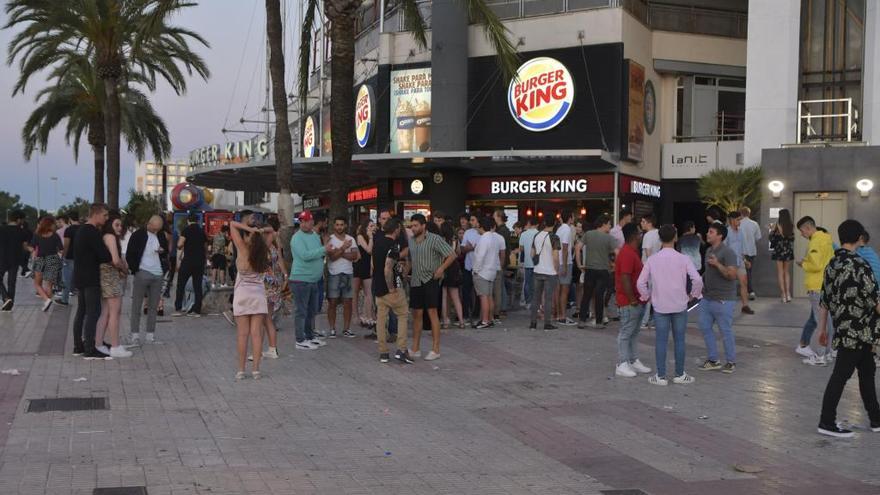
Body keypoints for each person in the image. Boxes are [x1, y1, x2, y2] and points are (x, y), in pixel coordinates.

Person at [815, 219, 880, 438]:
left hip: (844, 330)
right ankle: (826, 421)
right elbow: (875, 300)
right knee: (840, 376)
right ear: (859, 238)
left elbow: (824, 300)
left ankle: (876, 419)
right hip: (860, 330)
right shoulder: (861, 265)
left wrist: (822, 329)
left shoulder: (832, 265)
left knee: (868, 372)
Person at [637, 224, 703, 386]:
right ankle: (679, 374)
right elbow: (698, 279)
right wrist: (692, 295)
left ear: (660, 238)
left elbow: (640, 283)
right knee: (679, 340)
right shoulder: (683, 258)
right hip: (680, 305)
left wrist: (647, 297)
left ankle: (660, 376)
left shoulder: (652, 259)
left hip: (660, 305)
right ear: (675, 238)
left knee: (661, 340)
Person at [408, 214, 456, 360]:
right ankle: (415, 348)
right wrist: (405, 271)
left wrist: (441, 269)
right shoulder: (411, 241)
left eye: (416, 225)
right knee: (416, 314)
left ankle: (435, 349)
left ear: (423, 226)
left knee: (432, 313)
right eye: (412, 226)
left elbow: (451, 254)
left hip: (430, 279)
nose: (413, 228)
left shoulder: (434, 239)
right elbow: (410, 259)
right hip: (416, 280)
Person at [229, 220, 271, 379]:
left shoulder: (242, 249)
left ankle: (241, 370)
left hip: (242, 294)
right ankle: (256, 370)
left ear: (248, 237)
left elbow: (232, 224)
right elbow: (272, 231)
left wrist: (248, 228)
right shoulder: (263, 251)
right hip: (258, 295)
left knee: (242, 335)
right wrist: (260, 230)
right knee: (257, 334)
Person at [697, 222, 739, 374]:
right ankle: (713, 359)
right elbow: (707, 272)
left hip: (723, 299)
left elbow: (732, 275)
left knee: (725, 330)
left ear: (720, 235)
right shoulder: (708, 250)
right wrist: (698, 284)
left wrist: (718, 264)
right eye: (708, 231)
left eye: (711, 232)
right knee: (704, 326)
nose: (707, 234)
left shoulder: (728, 253)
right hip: (707, 298)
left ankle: (730, 361)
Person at [72, 204, 112, 359]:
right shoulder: (92, 232)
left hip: (80, 277)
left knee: (81, 311)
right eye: (105, 215)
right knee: (93, 312)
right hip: (90, 278)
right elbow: (105, 256)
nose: (106, 218)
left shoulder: (81, 230)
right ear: (96, 214)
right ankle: (90, 348)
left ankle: (78, 346)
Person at [796, 215, 835, 364]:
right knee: (828, 322)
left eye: (802, 231)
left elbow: (816, 265)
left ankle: (819, 356)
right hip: (827, 285)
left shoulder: (815, 241)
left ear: (808, 228)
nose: (802, 234)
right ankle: (828, 352)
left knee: (821, 323)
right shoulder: (827, 239)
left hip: (816, 287)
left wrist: (803, 264)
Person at [290, 210, 332, 350]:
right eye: (302, 221)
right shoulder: (297, 238)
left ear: (312, 221)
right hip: (301, 279)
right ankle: (299, 339)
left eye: (307, 221)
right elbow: (305, 255)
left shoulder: (314, 235)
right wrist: (324, 249)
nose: (304, 223)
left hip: (314, 279)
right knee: (301, 311)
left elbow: (319, 252)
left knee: (311, 310)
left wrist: (323, 249)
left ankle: (309, 336)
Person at [373, 218, 412, 364]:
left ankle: (383, 352)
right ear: (396, 229)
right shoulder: (393, 245)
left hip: (378, 287)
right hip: (392, 287)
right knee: (402, 315)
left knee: (381, 319)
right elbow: (388, 267)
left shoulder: (377, 243)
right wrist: (391, 287)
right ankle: (401, 350)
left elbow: (374, 264)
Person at [614, 223, 651, 378]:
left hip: (636, 299)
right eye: (639, 233)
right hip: (629, 301)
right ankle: (622, 363)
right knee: (626, 332)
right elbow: (625, 277)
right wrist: (631, 299)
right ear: (634, 235)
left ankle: (632, 359)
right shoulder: (628, 253)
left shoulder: (631, 252)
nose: (641, 235)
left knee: (633, 332)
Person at [94, 213, 132, 358]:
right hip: (111, 278)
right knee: (115, 313)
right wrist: (124, 269)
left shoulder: (105, 237)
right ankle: (115, 345)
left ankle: (99, 343)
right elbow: (115, 260)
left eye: (120, 225)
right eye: (116, 224)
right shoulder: (110, 238)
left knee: (106, 312)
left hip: (105, 277)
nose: (120, 227)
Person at [126, 215, 167, 346]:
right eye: (154, 229)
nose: (156, 231)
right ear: (149, 224)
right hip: (142, 271)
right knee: (137, 306)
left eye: (158, 229)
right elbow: (130, 253)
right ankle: (135, 336)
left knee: (153, 307)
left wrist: (162, 252)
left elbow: (165, 251)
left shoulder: (160, 235)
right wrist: (135, 269)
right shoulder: (138, 235)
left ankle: (150, 335)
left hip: (158, 273)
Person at [576, 215, 616, 329]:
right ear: (603, 224)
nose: (610, 226)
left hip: (590, 269)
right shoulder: (609, 238)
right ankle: (599, 322)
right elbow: (618, 252)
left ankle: (582, 320)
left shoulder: (588, 234)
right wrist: (615, 266)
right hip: (603, 270)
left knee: (587, 295)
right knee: (599, 295)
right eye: (609, 224)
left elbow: (578, 247)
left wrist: (579, 264)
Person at [326, 216, 359, 338]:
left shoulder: (351, 239)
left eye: (341, 224)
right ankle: (332, 329)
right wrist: (344, 249)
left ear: (345, 225)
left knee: (348, 302)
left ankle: (346, 328)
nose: (339, 227)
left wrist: (339, 252)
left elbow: (354, 256)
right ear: (334, 226)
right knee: (332, 302)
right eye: (337, 224)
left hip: (348, 272)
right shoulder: (330, 239)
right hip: (334, 273)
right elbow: (332, 257)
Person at [257, 217, 286, 358]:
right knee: (267, 318)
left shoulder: (266, 246)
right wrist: (285, 276)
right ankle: (272, 348)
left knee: (263, 319)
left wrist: (261, 230)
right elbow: (280, 260)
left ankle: (262, 350)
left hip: (265, 284)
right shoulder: (274, 245)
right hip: (273, 283)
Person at [174, 213, 208, 317]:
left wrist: (181, 246)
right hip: (199, 261)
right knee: (197, 286)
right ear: (197, 220)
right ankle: (196, 311)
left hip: (188, 261)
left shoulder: (186, 230)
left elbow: (179, 244)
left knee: (181, 284)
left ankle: (179, 308)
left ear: (188, 220)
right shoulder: (202, 231)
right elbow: (205, 247)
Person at [529, 219, 560, 330]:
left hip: (537, 270)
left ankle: (533, 323)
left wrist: (537, 263)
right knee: (548, 298)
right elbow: (555, 256)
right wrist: (557, 269)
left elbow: (531, 253)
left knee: (535, 298)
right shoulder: (554, 237)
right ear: (554, 224)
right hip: (550, 272)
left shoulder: (537, 235)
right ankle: (547, 323)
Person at [30, 215, 64, 312]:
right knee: (49, 285)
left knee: (37, 284)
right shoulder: (55, 235)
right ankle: (47, 302)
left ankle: (46, 300)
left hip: (40, 260)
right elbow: (61, 250)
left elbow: (32, 247)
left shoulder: (37, 234)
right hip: (52, 259)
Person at [724, 211, 754, 315]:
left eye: (740, 219)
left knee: (744, 283)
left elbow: (741, 248)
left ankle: (745, 306)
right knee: (730, 286)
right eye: (738, 219)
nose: (739, 221)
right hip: (730, 263)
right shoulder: (726, 232)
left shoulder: (741, 232)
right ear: (732, 220)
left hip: (740, 262)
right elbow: (723, 248)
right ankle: (727, 307)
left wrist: (745, 260)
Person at [473, 216, 500, 329]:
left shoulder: (484, 238)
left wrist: (475, 270)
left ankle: (484, 320)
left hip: (482, 272)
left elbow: (480, 257)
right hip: (492, 270)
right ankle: (490, 318)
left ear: (481, 226)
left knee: (483, 297)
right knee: (489, 296)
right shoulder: (494, 238)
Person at [0, 210, 28, 311]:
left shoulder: (2, 229)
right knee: (12, 282)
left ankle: (6, 298)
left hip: (2, 258)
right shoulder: (22, 231)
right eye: (22, 220)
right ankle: (10, 303)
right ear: (18, 219)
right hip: (16, 259)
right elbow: (25, 247)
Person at [440, 221, 465, 329]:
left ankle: (445, 321)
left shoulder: (441, 240)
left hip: (445, 266)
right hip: (454, 267)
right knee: (456, 296)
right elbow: (458, 252)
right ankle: (461, 321)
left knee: (444, 295)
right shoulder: (455, 239)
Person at [352, 219, 376, 330]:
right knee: (357, 291)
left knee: (369, 292)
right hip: (360, 266)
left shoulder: (372, 237)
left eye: (373, 225)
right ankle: (359, 315)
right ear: (366, 227)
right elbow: (369, 250)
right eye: (370, 226)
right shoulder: (360, 237)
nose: (372, 228)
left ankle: (368, 314)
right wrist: (370, 237)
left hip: (367, 266)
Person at [554, 211, 576, 326]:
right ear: (570, 217)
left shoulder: (559, 229)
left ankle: (557, 314)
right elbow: (565, 248)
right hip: (564, 262)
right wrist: (566, 265)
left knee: (557, 290)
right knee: (564, 291)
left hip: (557, 261)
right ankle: (563, 316)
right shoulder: (567, 229)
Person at [639, 214, 661, 328]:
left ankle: (644, 321)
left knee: (646, 294)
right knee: (655, 295)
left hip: (648, 267)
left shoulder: (647, 235)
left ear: (649, 223)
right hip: (657, 267)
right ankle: (654, 320)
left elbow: (647, 252)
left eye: (643, 221)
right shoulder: (659, 233)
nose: (641, 224)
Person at [769, 209, 795, 303]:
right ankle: (788, 294)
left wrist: (772, 230)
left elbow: (772, 239)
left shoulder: (777, 225)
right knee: (786, 272)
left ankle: (783, 295)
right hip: (788, 250)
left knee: (780, 272)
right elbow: (792, 239)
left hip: (779, 251)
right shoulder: (791, 226)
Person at [461, 213, 482, 324]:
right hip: (468, 266)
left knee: (478, 292)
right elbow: (463, 248)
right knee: (466, 291)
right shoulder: (468, 232)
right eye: (471, 220)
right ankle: (465, 313)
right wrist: (470, 247)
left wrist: (472, 247)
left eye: (473, 220)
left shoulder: (483, 233)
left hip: (479, 268)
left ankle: (476, 313)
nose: (471, 222)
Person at [56, 212, 80, 306]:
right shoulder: (83, 228)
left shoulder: (69, 230)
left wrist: (63, 256)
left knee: (66, 279)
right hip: (81, 257)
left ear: (70, 219)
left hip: (69, 257)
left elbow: (66, 245)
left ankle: (64, 299)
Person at [739, 206, 762, 300]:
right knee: (749, 272)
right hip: (752, 251)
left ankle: (747, 291)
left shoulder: (738, 224)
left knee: (743, 272)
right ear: (749, 213)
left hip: (741, 251)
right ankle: (750, 291)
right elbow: (758, 237)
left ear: (741, 213)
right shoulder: (755, 224)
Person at [492, 210, 510, 320]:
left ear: (498, 217)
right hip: (502, 261)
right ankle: (502, 307)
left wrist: (501, 262)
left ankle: (502, 307)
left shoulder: (501, 231)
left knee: (500, 286)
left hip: (500, 261)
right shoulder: (504, 230)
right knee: (501, 285)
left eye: (494, 215)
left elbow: (502, 249)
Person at [517, 217, 539, 307]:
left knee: (527, 283)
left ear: (529, 223)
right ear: (537, 224)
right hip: (537, 263)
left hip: (527, 262)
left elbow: (521, 248)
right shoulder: (539, 234)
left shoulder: (524, 234)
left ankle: (528, 302)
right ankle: (536, 302)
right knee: (536, 283)